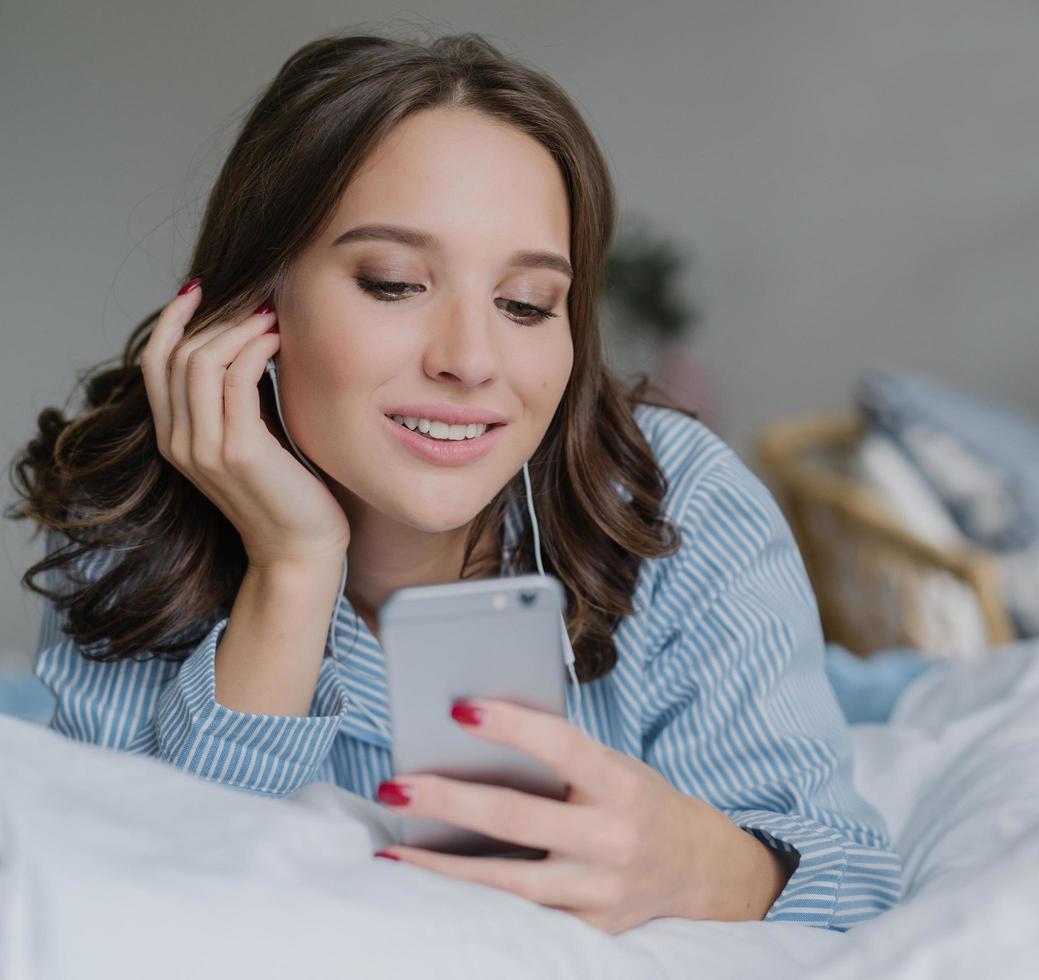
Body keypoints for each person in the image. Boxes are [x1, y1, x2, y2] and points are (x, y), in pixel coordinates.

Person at [10, 30, 901, 933]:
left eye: (525, 304)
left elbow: (856, 885)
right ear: (257, 304)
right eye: (394, 283)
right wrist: (292, 567)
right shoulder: (127, 505)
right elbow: (134, 909)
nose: (472, 361)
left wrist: (714, 873)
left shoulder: (680, 505)